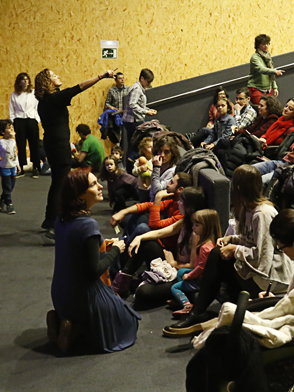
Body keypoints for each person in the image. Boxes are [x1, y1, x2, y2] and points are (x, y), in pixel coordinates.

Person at [164, 165, 293, 336]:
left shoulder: (262, 213)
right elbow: (250, 240)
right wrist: (231, 240)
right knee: (219, 252)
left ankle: (198, 312)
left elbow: (263, 259)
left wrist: (235, 249)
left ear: (239, 187)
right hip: (254, 271)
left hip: (269, 280)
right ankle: (201, 310)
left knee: (217, 256)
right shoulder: (247, 209)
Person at [47, 167, 140, 354]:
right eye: (93, 184)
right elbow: (93, 271)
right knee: (129, 321)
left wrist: (103, 246)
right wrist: (115, 250)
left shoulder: (61, 220)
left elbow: (76, 255)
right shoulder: (88, 225)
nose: (100, 186)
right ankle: (75, 331)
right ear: (81, 196)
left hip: (60, 294)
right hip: (84, 298)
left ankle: (62, 320)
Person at [36, 68, 115, 238]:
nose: (58, 76)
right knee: (61, 184)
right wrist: (101, 76)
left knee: (57, 183)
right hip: (57, 146)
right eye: (54, 76)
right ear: (47, 82)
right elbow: (79, 87)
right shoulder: (54, 99)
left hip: (53, 144)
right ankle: (54, 225)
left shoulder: (45, 101)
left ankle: (49, 221)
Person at [113, 186, 208, 303]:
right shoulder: (184, 222)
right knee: (146, 241)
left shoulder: (196, 232)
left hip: (182, 275)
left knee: (142, 293)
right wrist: (139, 237)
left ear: (190, 206)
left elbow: (192, 267)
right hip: (172, 266)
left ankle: (142, 283)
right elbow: (160, 232)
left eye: (182, 201)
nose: (178, 203)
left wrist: (172, 263)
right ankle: (120, 284)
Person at [170, 209, 221, 317]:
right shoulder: (207, 242)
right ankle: (184, 298)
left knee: (174, 287)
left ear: (206, 227)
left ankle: (187, 305)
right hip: (200, 275)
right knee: (181, 272)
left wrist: (189, 275)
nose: (193, 227)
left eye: (196, 225)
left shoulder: (205, 248)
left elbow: (201, 268)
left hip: (200, 279)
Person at [10, 72, 45, 178]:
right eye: (22, 80)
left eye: (27, 79)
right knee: (20, 145)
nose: (25, 81)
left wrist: (37, 120)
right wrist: (13, 122)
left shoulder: (34, 93)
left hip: (31, 120)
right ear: (19, 82)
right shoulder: (14, 94)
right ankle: (21, 168)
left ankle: (36, 168)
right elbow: (11, 110)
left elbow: (38, 107)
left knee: (34, 145)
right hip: (19, 121)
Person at [122, 68, 157, 156]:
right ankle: (132, 165)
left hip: (133, 119)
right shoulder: (137, 89)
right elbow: (132, 104)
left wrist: (148, 109)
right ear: (142, 79)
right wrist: (146, 111)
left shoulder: (139, 88)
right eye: (148, 82)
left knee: (134, 144)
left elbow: (138, 104)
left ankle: (133, 164)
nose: (149, 84)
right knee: (135, 145)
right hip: (132, 120)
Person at [248, 34, 284, 104]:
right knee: (260, 108)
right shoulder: (255, 57)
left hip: (268, 88)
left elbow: (270, 71)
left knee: (270, 108)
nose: (266, 46)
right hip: (256, 88)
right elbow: (261, 69)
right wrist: (275, 71)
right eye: (263, 44)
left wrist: (274, 87)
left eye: (267, 44)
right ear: (258, 45)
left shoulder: (267, 56)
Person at [0, 119, 19, 214]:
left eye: (12, 128)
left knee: (11, 187)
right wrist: (11, 139)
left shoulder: (12, 141)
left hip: (13, 166)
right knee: (7, 187)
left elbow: (14, 153)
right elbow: (8, 150)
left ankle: (1, 200)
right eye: (9, 129)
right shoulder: (2, 142)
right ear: (2, 132)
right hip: (5, 167)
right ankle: (9, 204)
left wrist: (17, 164)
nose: (12, 130)